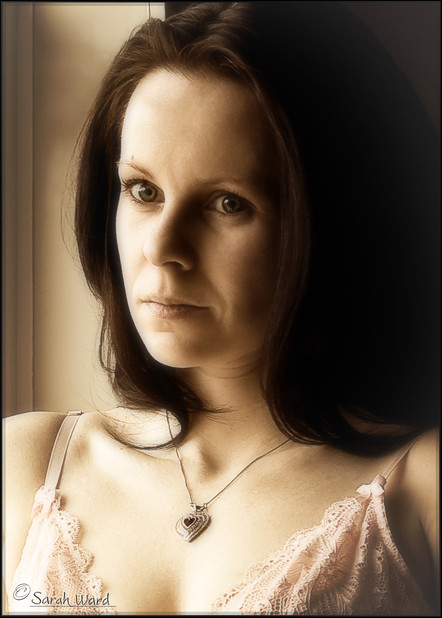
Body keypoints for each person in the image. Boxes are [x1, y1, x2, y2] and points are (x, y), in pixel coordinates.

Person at [4, 1, 439, 614]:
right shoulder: (26, 466)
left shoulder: (419, 488)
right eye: (143, 190)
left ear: (336, 223)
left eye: (228, 203)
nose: (161, 247)